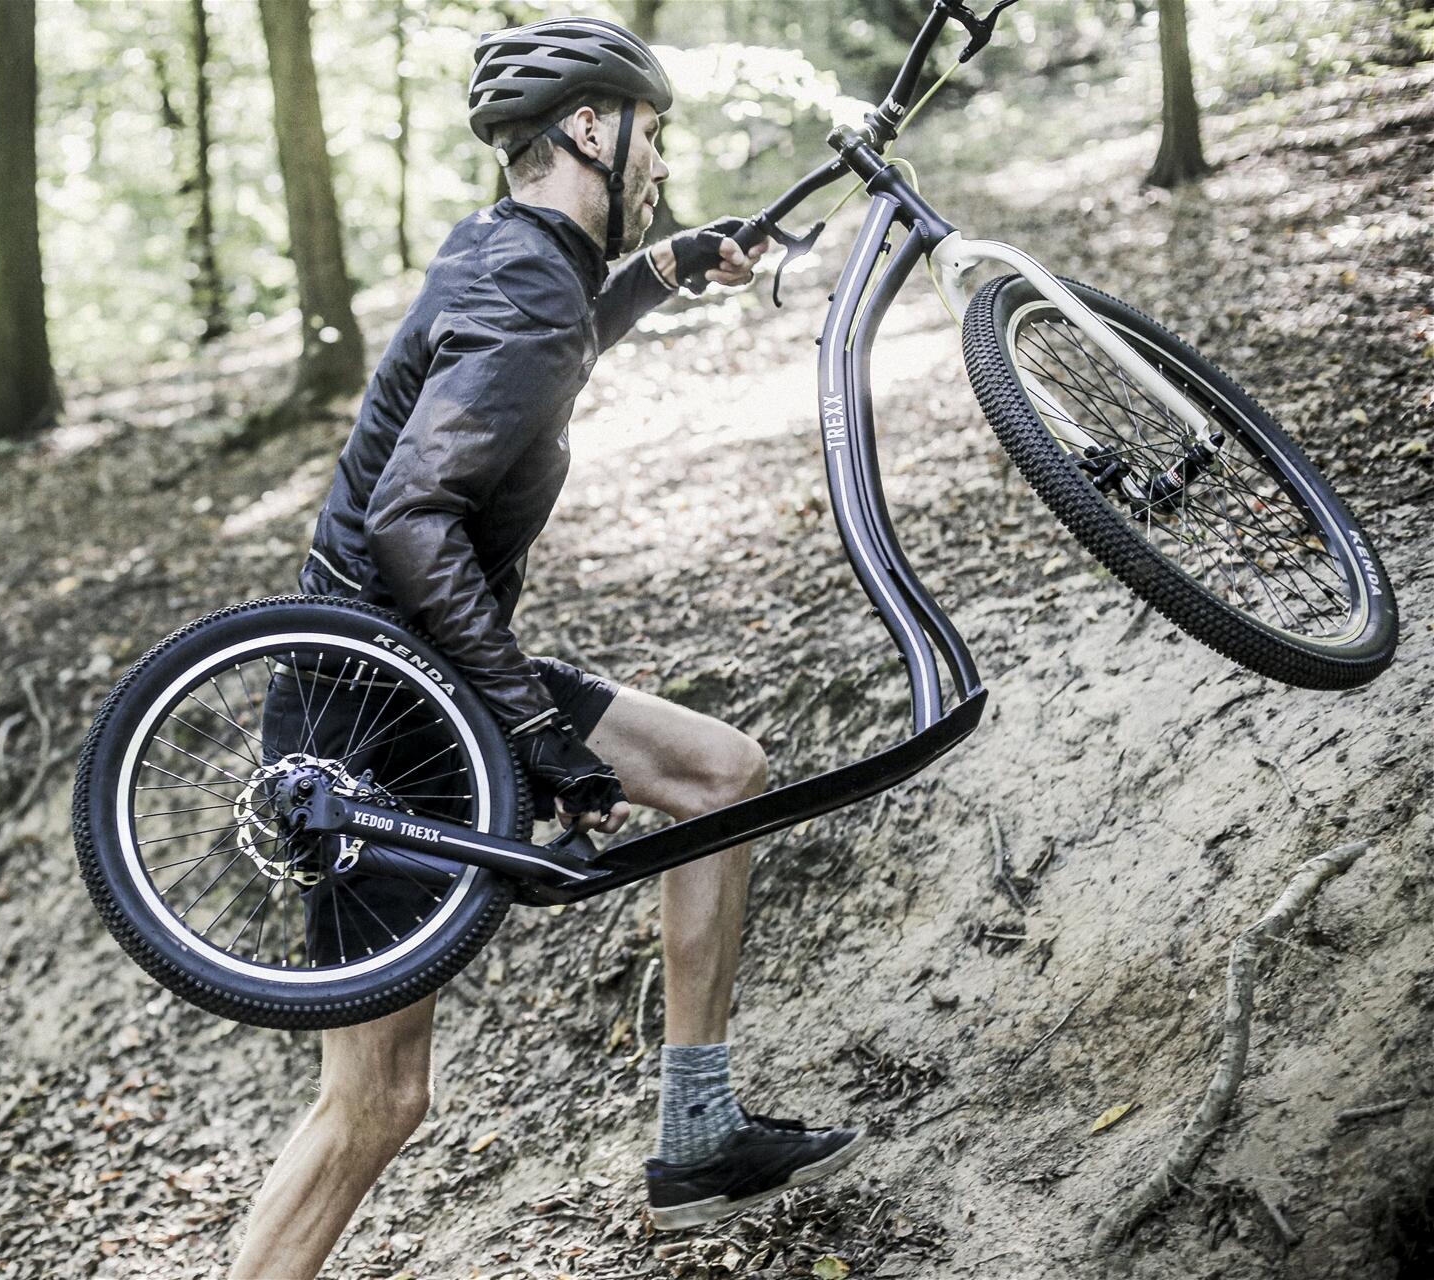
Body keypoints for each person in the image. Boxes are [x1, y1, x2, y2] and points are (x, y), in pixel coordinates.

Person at [232, 18, 864, 1277]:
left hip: (431, 684)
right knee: (375, 1101)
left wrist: (665, 268)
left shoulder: (516, 255)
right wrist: (530, 726)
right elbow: (411, 516)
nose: (659, 164)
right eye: (653, 138)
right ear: (590, 127)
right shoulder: (524, 283)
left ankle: (698, 1128)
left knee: (720, 774)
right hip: (373, 727)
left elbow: (548, 346)